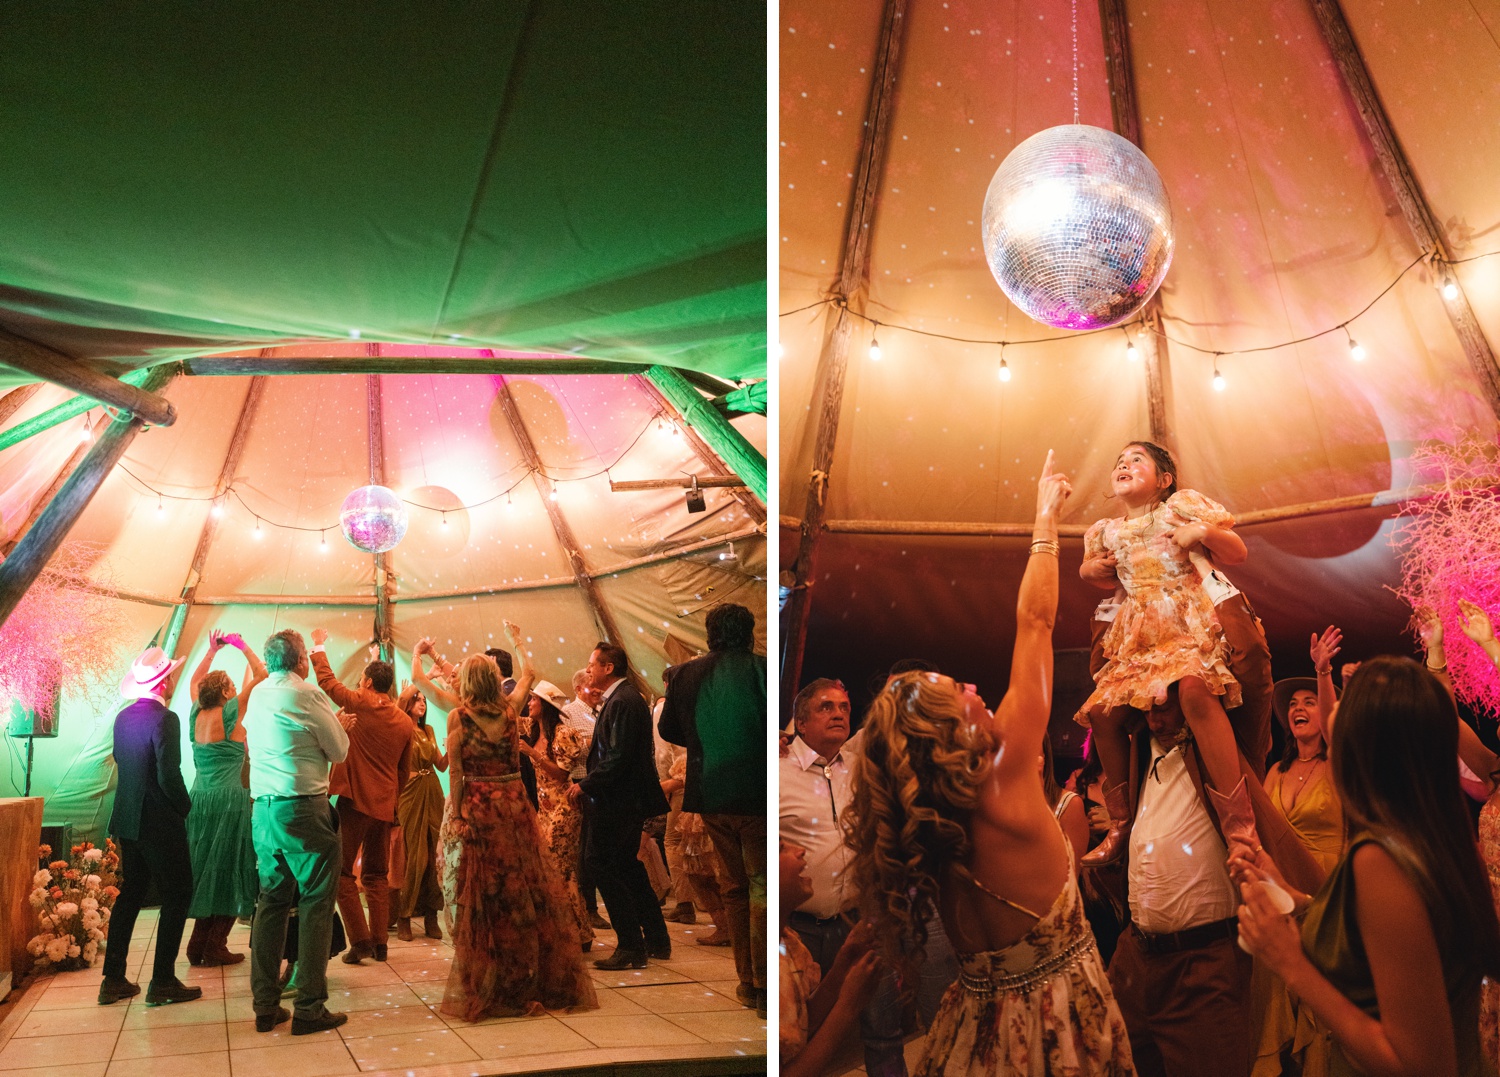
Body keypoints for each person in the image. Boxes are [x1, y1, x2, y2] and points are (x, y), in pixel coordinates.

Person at [846, 452, 1134, 1076]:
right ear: (949, 727)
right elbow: (1035, 622)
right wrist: (1043, 521)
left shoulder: (928, 827)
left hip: (974, 1026)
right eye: (963, 691)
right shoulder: (1004, 776)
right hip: (1057, 1026)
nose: (979, 689)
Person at [1236, 656, 1500, 1077]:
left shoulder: (1382, 859)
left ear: (1364, 744)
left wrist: (1290, 963)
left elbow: (1425, 1066)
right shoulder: (1430, 834)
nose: (1327, 722)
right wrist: (1295, 898)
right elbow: (1383, 936)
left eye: (1338, 715)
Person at [1077, 441, 1260, 864]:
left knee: (1196, 693)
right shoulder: (1106, 531)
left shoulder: (1178, 507)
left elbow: (1239, 551)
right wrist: (1091, 570)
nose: (1124, 464)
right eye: (1120, 461)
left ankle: (1240, 828)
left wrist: (1205, 533)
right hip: (1138, 636)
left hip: (1185, 623)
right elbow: (1097, 575)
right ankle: (1120, 825)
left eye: (1136, 459)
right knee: (1103, 714)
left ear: (1164, 480)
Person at [438, 627, 597, 1021]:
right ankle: (530, 974)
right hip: (514, 805)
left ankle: (493, 975)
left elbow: (456, 774)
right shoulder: (511, 711)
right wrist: (520, 640)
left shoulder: (459, 718)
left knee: (485, 894)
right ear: (493, 680)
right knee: (525, 888)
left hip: (479, 807)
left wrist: (457, 815)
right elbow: (529, 672)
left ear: (467, 683)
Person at [659, 602, 768, 1008]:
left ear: (710, 633)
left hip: (711, 793)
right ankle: (763, 987)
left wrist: (707, 741)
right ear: (750, 629)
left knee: (734, 886)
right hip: (756, 792)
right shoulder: (762, 670)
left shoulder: (688, 673)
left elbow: (668, 727)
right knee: (760, 886)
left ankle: (747, 983)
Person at [243, 628, 350, 1036]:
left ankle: (265, 1006)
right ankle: (309, 1007)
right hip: (303, 808)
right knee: (316, 904)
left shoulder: (258, 694)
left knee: (270, 902)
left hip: (263, 810)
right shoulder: (307, 693)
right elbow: (338, 751)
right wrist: (337, 726)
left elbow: (254, 747)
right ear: (301, 659)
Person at [98, 646, 202, 1007]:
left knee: (131, 892)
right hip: (158, 821)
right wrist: (186, 808)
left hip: (126, 818)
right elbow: (168, 774)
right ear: (165, 680)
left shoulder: (124, 717)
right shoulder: (165, 719)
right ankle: (163, 981)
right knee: (178, 893)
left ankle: (113, 979)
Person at [308, 628, 414, 965]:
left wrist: (319, 644)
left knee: (341, 874)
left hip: (354, 802)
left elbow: (327, 682)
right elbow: (403, 770)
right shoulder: (405, 721)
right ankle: (382, 943)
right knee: (376, 875)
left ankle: (361, 941)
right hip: (385, 805)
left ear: (367, 683)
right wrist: (393, 800)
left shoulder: (359, 702)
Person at [578, 641, 672, 970]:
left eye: (592, 664)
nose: (588, 669)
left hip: (618, 801)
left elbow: (617, 757)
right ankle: (658, 939)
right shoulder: (623, 698)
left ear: (608, 668)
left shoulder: (624, 700)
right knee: (629, 868)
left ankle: (631, 944)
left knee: (599, 863)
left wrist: (584, 785)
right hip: (625, 800)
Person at [184, 630, 267, 966]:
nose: (236, 687)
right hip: (229, 801)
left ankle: (198, 944)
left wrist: (211, 651)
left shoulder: (195, 713)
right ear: (225, 692)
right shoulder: (231, 712)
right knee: (230, 868)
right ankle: (214, 944)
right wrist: (241, 644)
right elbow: (261, 674)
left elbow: (195, 680)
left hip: (199, 799)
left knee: (205, 869)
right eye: (231, 685)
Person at [780, 840, 883, 1077]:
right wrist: (849, 1005)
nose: (800, 850)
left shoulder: (789, 942)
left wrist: (842, 966)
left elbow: (802, 1024)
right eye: (780, 849)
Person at [519, 680, 593, 951]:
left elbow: (562, 774)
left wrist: (531, 754)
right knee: (554, 870)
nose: (529, 704)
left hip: (564, 808)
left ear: (546, 705)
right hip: (544, 809)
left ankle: (574, 934)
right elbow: (502, 717)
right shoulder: (532, 728)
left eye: (533, 700)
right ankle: (574, 932)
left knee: (558, 869)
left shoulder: (563, 734)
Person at [394, 684, 446, 942]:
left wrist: (454, 748)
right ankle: (404, 915)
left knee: (435, 854)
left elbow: (442, 765)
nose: (422, 704)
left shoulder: (429, 730)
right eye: (417, 699)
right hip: (410, 792)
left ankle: (431, 916)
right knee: (415, 856)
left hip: (432, 790)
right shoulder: (401, 727)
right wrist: (421, 681)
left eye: (424, 700)